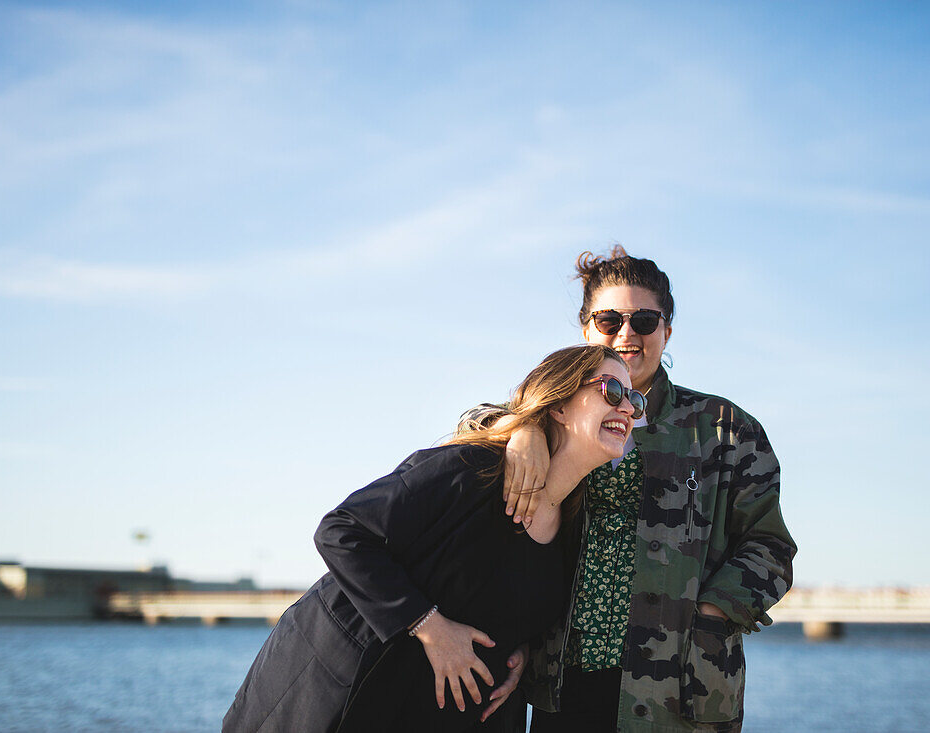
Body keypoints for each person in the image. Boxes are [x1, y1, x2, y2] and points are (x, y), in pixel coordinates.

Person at [223, 344, 644, 733]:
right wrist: (430, 626)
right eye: (611, 391)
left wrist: (523, 654)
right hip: (338, 694)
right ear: (559, 406)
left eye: (635, 399)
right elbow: (342, 532)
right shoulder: (474, 468)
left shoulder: (575, 520)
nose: (627, 408)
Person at [460, 247, 797, 732]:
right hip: (561, 683)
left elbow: (772, 547)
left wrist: (710, 614)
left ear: (667, 332)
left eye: (643, 320)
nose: (626, 333)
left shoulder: (726, 429)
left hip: (679, 690)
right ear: (585, 330)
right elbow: (469, 429)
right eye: (609, 319)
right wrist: (523, 428)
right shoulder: (553, 415)